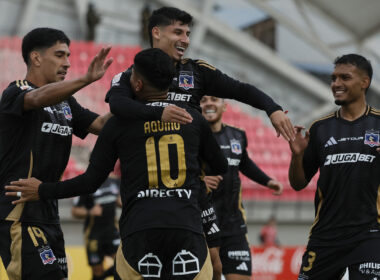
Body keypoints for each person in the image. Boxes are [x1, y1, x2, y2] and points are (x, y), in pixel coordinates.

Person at [7, 48, 228, 280]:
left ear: (138, 85)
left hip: (139, 231)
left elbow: (90, 182)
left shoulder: (119, 124)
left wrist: (42, 190)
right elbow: (219, 166)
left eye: (132, 77)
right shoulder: (193, 119)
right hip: (186, 228)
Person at [0, 27, 113, 280]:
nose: (68, 63)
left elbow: (103, 126)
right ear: (36, 58)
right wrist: (85, 79)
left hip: (48, 211)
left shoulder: (66, 103)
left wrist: (134, 98)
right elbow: (37, 98)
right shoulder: (15, 91)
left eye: (69, 56)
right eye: (60, 55)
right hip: (19, 212)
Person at [105, 6, 295, 142]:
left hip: (191, 180)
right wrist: (160, 112)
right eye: (178, 32)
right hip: (144, 176)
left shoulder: (198, 71)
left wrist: (272, 109)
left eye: (187, 34)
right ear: (156, 33)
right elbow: (118, 105)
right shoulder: (132, 75)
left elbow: (241, 89)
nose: (185, 40)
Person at [288, 54, 380, 280]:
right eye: (333, 78)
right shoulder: (320, 128)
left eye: (344, 78)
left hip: (369, 234)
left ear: (364, 82)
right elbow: (298, 183)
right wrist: (297, 156)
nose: (336, 84)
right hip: (325, 236)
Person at [200, 95, 283, 280]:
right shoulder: (191, 137)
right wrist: (200, 182)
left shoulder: (237, 135)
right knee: (211, 274)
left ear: (224, 106)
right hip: (202, 224)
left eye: (214, 99)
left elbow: (244, 163)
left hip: (233, 224)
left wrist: (268, 181)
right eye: (203, 100)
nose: (209, 104)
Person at [71, 171, 121, 280]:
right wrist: (90, 212)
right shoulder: (87, 184)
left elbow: (119, 200)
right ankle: (101, 276)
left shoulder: (115, 181)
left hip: (113, 232)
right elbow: (75, 211)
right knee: (97, 271)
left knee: (121, 264)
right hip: (94, 234)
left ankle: (106, 274)